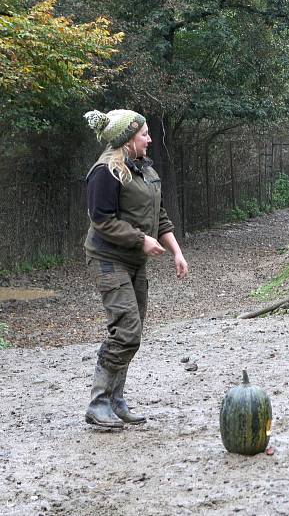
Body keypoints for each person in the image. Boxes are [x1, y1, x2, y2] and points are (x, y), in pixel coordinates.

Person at [82, 109, 188, 429]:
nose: (150, 139)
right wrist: (141, 240)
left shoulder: (145, 171)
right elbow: (102, 221)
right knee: (126, 329)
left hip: (134, 262)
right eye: (144, 134)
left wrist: (177, 253)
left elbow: (162, 217)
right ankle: (98, 402)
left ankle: (115, 400)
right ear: (128, 139)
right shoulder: (106, 171)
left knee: (133, 332)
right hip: (107, 258)